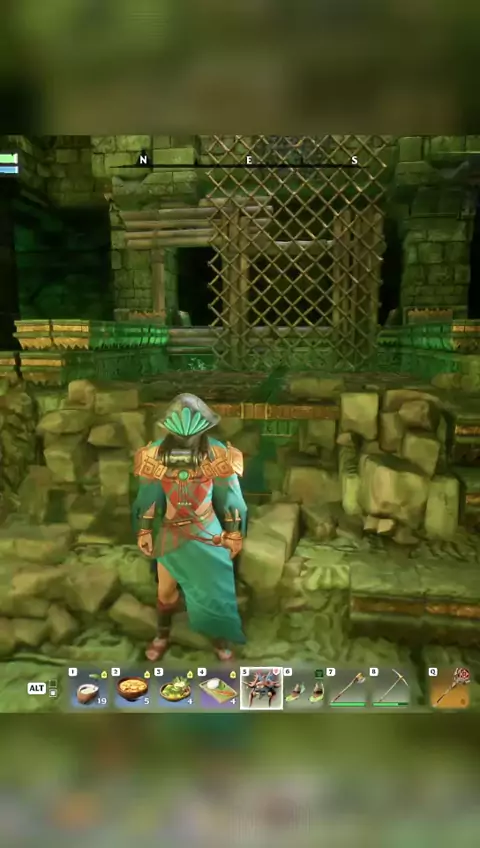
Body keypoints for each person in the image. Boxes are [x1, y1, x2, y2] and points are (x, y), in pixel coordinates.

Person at [131, 393, 247, 662]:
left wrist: (233, 534)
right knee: (165, 591)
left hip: (207, 530)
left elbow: (231, 497)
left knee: (212, 591)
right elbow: (148, 496)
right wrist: (145, 529)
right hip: (171, 530)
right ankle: (162, 635)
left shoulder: (219, 453)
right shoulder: (154, 454)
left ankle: (219, 639)